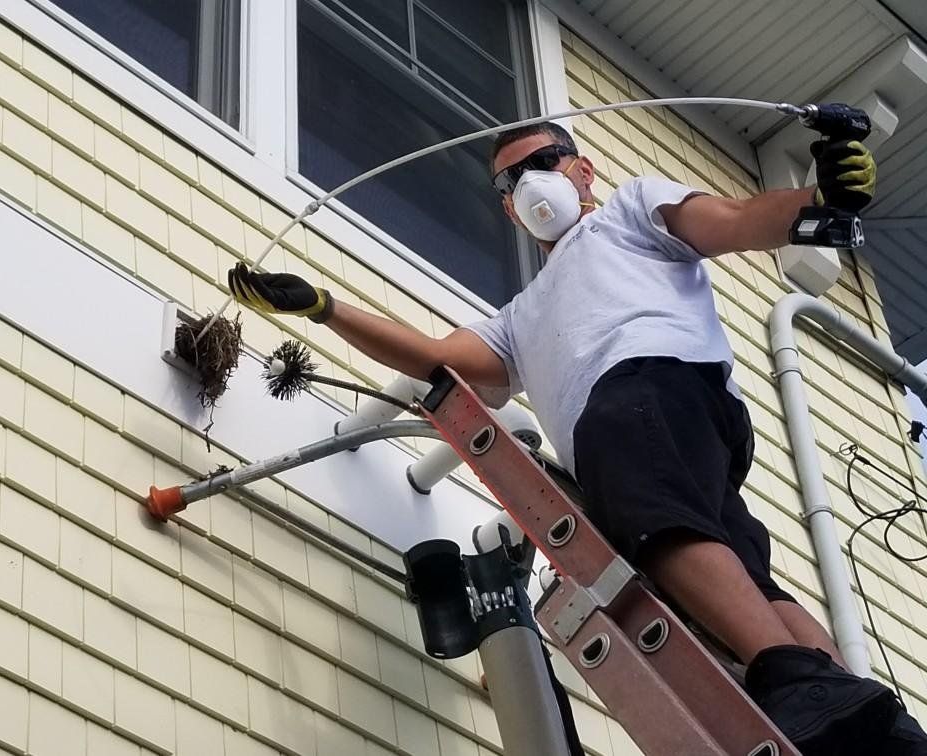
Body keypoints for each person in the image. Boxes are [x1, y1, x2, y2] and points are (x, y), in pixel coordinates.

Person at [227, 121, 926, 755]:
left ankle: (794, 676)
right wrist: (322, 307)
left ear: (583, 170)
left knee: (651, 515)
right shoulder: (520, 317)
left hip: (651, 388)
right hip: (679, 431)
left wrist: (820, 196)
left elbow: (736, 220)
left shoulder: (628, 213)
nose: (529, 183)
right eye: (510, 181)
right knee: (740, 571)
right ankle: (865, 714)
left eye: (543, 161)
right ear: (507, 207)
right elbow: (433, 356)